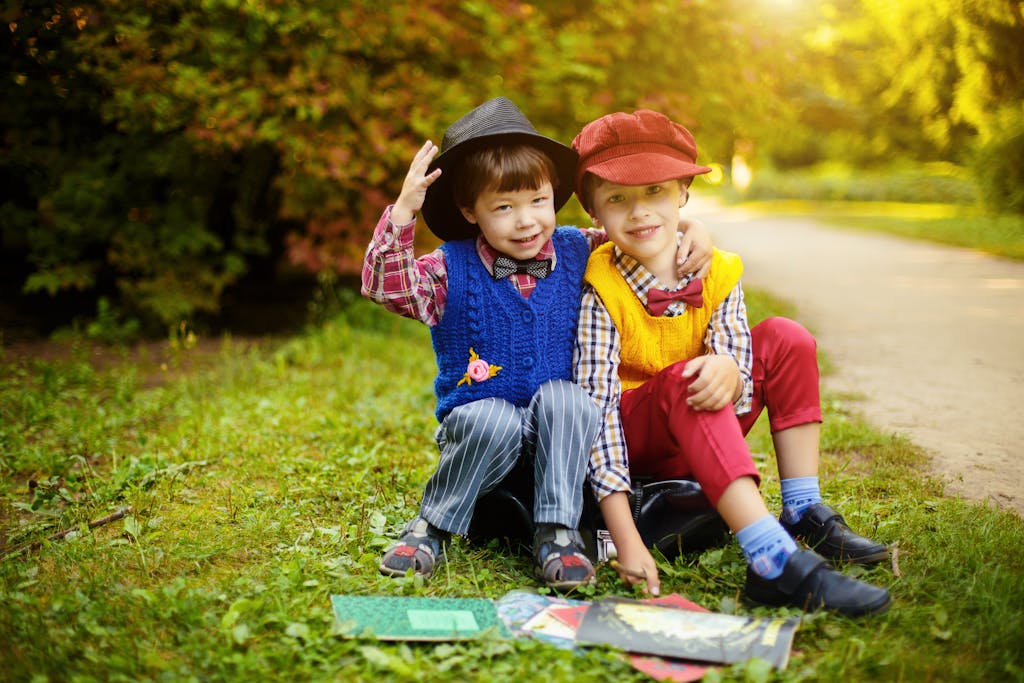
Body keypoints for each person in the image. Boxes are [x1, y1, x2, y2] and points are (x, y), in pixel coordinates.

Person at [360, 97, 713, 590]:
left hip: (562, 443)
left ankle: (559, 530)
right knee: (492, 416)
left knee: (569, 398)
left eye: (537, 202)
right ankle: (431, 526)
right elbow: (387, 287)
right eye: (503, 208)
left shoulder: (578, 248)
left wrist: (693, 227)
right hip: (486, 443)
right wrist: (402, 214)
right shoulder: (449, 267)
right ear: (470, 212)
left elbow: (637, 235)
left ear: (553, 196)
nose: (526, 221)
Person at [572, 109, 891, 616]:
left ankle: (803, 507)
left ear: (682, 195)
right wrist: (623, 535)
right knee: (688, 378)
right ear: (595, 216)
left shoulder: (717, 270)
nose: (639, 213)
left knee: (786, 336)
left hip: (701, 419)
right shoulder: (601, 288)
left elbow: (738, 373)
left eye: (655, 191)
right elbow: (598, 417)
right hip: (639, 436)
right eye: (617, 199)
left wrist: (730, 368)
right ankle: (771, 559)